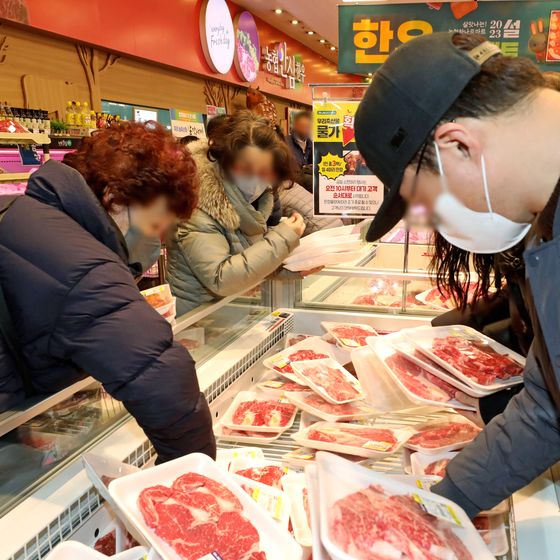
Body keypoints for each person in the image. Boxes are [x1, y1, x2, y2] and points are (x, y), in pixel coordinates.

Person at [354, 31, 560, 518]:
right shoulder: (545, 230)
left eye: (425, 201)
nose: (435, 221)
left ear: (458, 145)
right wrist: (439, 509)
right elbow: (546, 405)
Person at [0, 121, 215, 463]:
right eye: (156, 224)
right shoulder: (81, 262)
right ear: (115, 198)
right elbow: (161, 379)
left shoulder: (41, 216)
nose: (158, 240)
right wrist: (199, 480)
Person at [166, 111, 306, 315]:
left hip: (229, 314)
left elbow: (245, 259)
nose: (257, 179)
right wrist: (282, 239)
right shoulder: (197, 206)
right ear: (225, 160)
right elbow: (221, 278)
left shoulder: (250, 200)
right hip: (197, 323)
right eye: (247, 169)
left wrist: (291, 267)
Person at [288, 111, 313, 192]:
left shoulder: (312, 145)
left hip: (309, 187)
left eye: (308, 126)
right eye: (303, 126)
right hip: (291, 186)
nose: (306, 130)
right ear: (295, 126)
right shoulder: (285, 143)